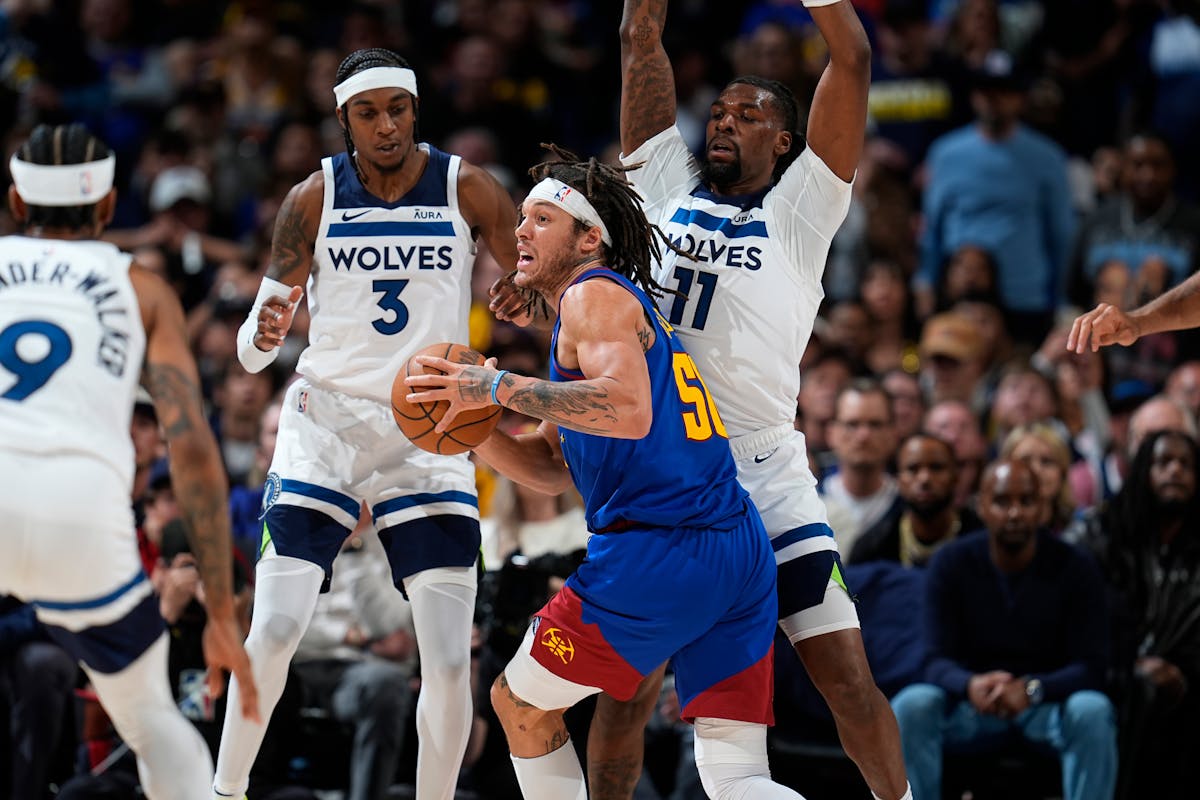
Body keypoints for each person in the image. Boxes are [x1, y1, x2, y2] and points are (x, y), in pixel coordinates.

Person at [586, 0, 910, 797]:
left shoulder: (804, 207)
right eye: (720, 110)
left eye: (749, 113)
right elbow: (641, 39)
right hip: (667, 471)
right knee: (628, 690)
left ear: (786, 141)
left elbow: (854, 59)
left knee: (845, 677)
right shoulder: (662, 182)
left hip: (763, 470)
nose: (725, 121)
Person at [406, 150, 800, 799]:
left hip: (659, 552)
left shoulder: (593, 296)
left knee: (520, 705)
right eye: (521, 218)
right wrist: (470, 432)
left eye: (542, 218)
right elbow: (556, 467)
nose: (521, 231)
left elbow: (625, 408)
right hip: (734, 547)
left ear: (590, 238)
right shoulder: (599, 313)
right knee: (736, 774)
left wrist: (495, 384)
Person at [213, 48, 524, 800]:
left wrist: (526, 304)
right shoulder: (312, 197)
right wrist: (266, 328)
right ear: (343, 117)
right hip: (329, 421)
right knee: (276, 630)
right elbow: (252, 356)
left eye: (398, 109)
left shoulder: (469, 186)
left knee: (449, 659)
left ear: (415, 110)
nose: (386, 125)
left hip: (431, 426)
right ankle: (219, 791)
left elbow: (533, 293)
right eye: (368, 112)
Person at [0, 123, 258, 800]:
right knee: (149, 722)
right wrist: (224, 616)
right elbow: (194, 449)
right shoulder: (141, 287)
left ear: (16, 205)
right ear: (111, 206)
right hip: (79, 511)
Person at [890, 459, 1117, 800]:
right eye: (1001, 502)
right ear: (981, 506)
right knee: (912, 704)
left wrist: (1031, 690)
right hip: (973, 706)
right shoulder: (951, 562)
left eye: (1026, 502)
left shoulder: (1076, 565)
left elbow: (1093, 665)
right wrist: (970, 685)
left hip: (1046, 706)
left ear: (1043, 508)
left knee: (1093, 709)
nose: (1014, 513)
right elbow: (931, 659)